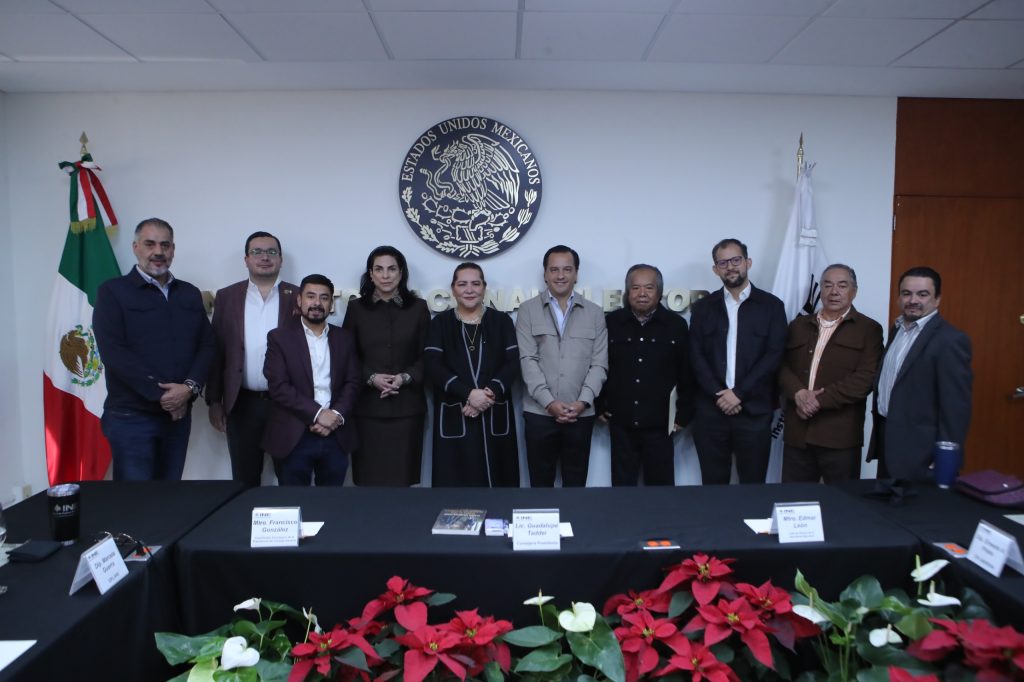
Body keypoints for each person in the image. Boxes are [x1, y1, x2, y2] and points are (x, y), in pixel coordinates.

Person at [93, 217, 215, 480]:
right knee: (136, 505)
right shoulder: (113, 292)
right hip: (131, 417)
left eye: (165, 245)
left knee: (168, 499)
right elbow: (114, 352)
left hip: (178, 417)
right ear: (136, 247)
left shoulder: (189, 294)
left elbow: (206, 345)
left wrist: (188, 389)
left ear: (173, 250)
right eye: (150, 244)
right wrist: (164, 396)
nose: (158, 252)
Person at [689, 238, 787, 485]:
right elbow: (696, 356)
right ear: (715, 269)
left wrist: (739, 393)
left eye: (736, 260)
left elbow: (774, 355)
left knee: (753, 486)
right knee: (713, 485)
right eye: (723, 263)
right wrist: (719, 395)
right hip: (712, 412)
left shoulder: (771, 306)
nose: (730, 267)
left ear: (748, 262)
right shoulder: (703, 308)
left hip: (754, 412)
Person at [206, 231, 298, 486]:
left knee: (291, 476)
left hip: (288, 404)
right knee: (244, 480)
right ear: (246, 259)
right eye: (257, 252)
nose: (264, 257)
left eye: (271, 252)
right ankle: (244, 525)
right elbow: (218, 349)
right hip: (242, 403)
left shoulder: (299, 296)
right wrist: (214, 400)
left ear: (280, 259)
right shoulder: (227, 297)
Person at [778, 264, 883, 483]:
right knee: (794, 504)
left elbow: (865, 379)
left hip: (840, 438)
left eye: (842, 285)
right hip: (798, 434)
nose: (834, 291)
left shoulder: (869, 329)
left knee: (843, 506)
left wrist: (816, 401)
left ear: (854, 291)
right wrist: (798, 393)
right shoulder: (797, 326)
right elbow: (780, 366)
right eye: (827, 285)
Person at [869, 266, 972, 482]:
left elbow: (955, 408)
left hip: (922, 455)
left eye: (922, 294)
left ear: (937, 300)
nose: (913, 300)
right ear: (899, 298)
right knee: (884, 512)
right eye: (907, 293)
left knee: (914, 515)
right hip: (889, 442)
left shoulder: (950, 340)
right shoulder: (897, 329)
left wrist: (944, 457)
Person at [516, 245, 607, 487]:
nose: (560, 275)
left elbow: (599, 364)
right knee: (540, 484)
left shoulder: (595, 313)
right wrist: (549, 403)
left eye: (567, 269)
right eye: (554, 269)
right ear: (545, 274)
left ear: (577, 273)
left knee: (576, 485)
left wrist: (582, 402)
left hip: (581, 413)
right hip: (539, 413)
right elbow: (528, 360)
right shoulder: (527, 311)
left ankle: (576, 525)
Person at [424, 262, 521, 487]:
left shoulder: (501, 321)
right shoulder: (441, 323)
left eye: (475, 284)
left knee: (500, 481)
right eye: (462, 284)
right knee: (455, 482)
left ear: (484, 287)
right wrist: (469, 394)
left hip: (494, 410)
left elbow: (513, 363)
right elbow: (433, 366)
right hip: (455, 412)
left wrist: (487, 395)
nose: (469, 290)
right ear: (453, 289)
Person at [597, 264, 695, 486]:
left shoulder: (676, 325)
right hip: (621, 422)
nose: (642, 293)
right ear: (627, 292)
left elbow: (686, 373)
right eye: (635, 288)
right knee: (622, 492)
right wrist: (599, 403)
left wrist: (683, 415)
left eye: (649, 288)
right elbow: (599, 366)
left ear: (659, 292)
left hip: (661, 426)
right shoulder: (611, 323)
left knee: (661, 493)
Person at [342, 246, 430, 486]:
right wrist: (371, 378)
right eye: (379, 269)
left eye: (392, 269)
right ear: (370, 274)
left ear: (401, 273)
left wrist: (405, 377)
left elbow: (427, 356)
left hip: (407, 408)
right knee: (369, 481)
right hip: (367, 410)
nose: (385, 275)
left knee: (404, 480)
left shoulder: (418, 308)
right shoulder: (356, 309)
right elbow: (347, 356)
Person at [262, 274, 360, 486]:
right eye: (311, 296)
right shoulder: (279, 338)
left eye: (324, 298)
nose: (317, 303)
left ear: (331, 303)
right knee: (293, 504)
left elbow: (353, 383)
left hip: (336, 434)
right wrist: (317, 414)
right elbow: (278, 386)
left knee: (332, 505)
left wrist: (334, 416)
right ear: (299, 300)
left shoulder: (345, 338)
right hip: (294, 433)